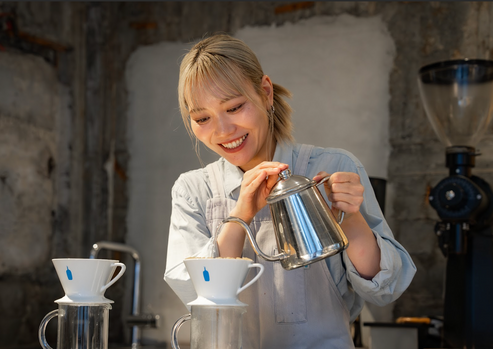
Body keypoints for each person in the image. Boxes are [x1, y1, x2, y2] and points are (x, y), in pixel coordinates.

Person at [163, 33, 416, 348]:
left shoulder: (333, 165)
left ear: (265, 93)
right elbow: (195, 294)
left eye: (234, 107)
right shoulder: (194, 190)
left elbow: (385, 287)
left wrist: (348, 219)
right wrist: (240, 215)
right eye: (202, 118)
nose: (223, 131)